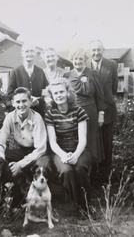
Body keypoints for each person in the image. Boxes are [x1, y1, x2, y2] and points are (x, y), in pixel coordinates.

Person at [0, 87, 50, 209]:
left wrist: (20, 164)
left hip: (39, 152)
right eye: (18, 102)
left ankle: (40, 202)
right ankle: (6, 198)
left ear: (30, 102)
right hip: (23, 151)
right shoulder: (10, 117)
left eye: (24, 101)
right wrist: (1, 154)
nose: (21, 105)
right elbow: (1, 137)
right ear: (13, 103)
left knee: (41, 166)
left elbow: (41, 148)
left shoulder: (37, 118)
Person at [44, 78, 91, 210]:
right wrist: (64, 155)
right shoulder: (50, 114)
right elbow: (52, 142)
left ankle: (85, 206)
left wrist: (75, 155)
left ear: (67, 93)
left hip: (79, 149)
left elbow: (83, 139)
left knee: (80, 168)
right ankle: (74, 204)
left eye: (61, 92)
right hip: (60, 151)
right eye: (55, 93)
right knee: (67, 171)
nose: (59, 95)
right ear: (52, 96)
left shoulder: (79, 111)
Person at [64, 49, 106, 167]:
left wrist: (101, 114)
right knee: (75, 139)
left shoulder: (93, 73)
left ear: (85, 60)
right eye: (75, 59)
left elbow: (100, 95)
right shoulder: (67, 75)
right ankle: (76, 168)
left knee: (91, 140)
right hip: (73, 112)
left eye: (81, 59)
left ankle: (91, 173)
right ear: (72, 60)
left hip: (90, 112)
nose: (78, 61)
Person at [89, 40, 118, 180]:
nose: (96, 53)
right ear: (90, 51)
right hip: (91, 111)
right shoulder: (85, 65)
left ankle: (106, 178)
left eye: (98, 50)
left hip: (108, 111)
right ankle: (93, 175)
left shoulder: (111, 65)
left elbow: (114, 88)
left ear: (103, 50)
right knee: (93, 144)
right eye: (93, 50)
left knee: (107, 144)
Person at [7, 44, 48, 117]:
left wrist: (38, 101)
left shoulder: (40, 72)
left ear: (35, 54)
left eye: (32, 51)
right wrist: (24, 100)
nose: (29, 54)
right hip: (21, 114)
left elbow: (46, 92)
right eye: (27, 51)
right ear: (22, 53)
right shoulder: (15, 72)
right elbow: (10, 95)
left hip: (38, 113)